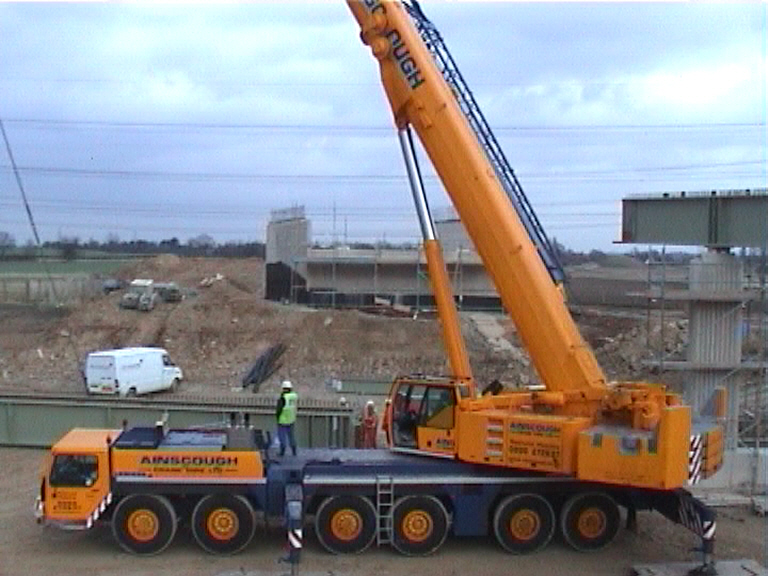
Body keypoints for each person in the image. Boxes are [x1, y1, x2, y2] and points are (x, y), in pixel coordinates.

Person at [275, 380, 298, 456]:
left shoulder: (283, 398)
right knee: (291, 436)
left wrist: (277, 418)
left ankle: (282, 451)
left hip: (283, 420)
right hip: (291, 419)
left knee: (282, 437)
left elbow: (279, 410)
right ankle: (294, 451)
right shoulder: (294, 396)